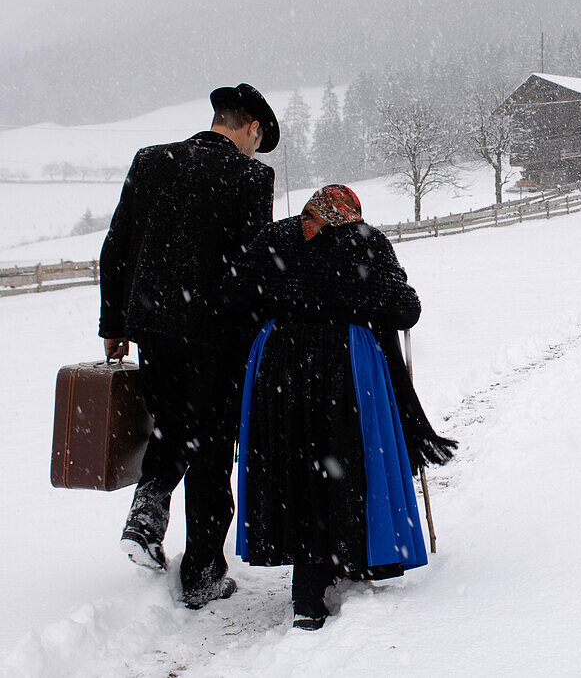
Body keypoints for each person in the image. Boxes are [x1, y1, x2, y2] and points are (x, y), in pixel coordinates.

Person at [226, 184, 456, 630]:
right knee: (346, 460)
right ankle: (349, 560)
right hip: (343, 361)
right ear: (351, 212)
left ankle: (309, 585)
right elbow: (405, 310)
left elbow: (236, 294)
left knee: (295, 463)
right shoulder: (365, 240)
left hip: (278, 363)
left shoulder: (275, 237)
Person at [98, 83, 279, 608]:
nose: (255, 149)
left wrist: (115, 323)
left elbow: (117, 246)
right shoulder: (250, 176)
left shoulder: (152, 161)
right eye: (257, 140)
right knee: (212, 449)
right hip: (214, 334)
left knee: (172, 425)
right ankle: (202, 573)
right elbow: (251, 268)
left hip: (152, 326)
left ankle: (146, 516)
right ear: (252, 128)